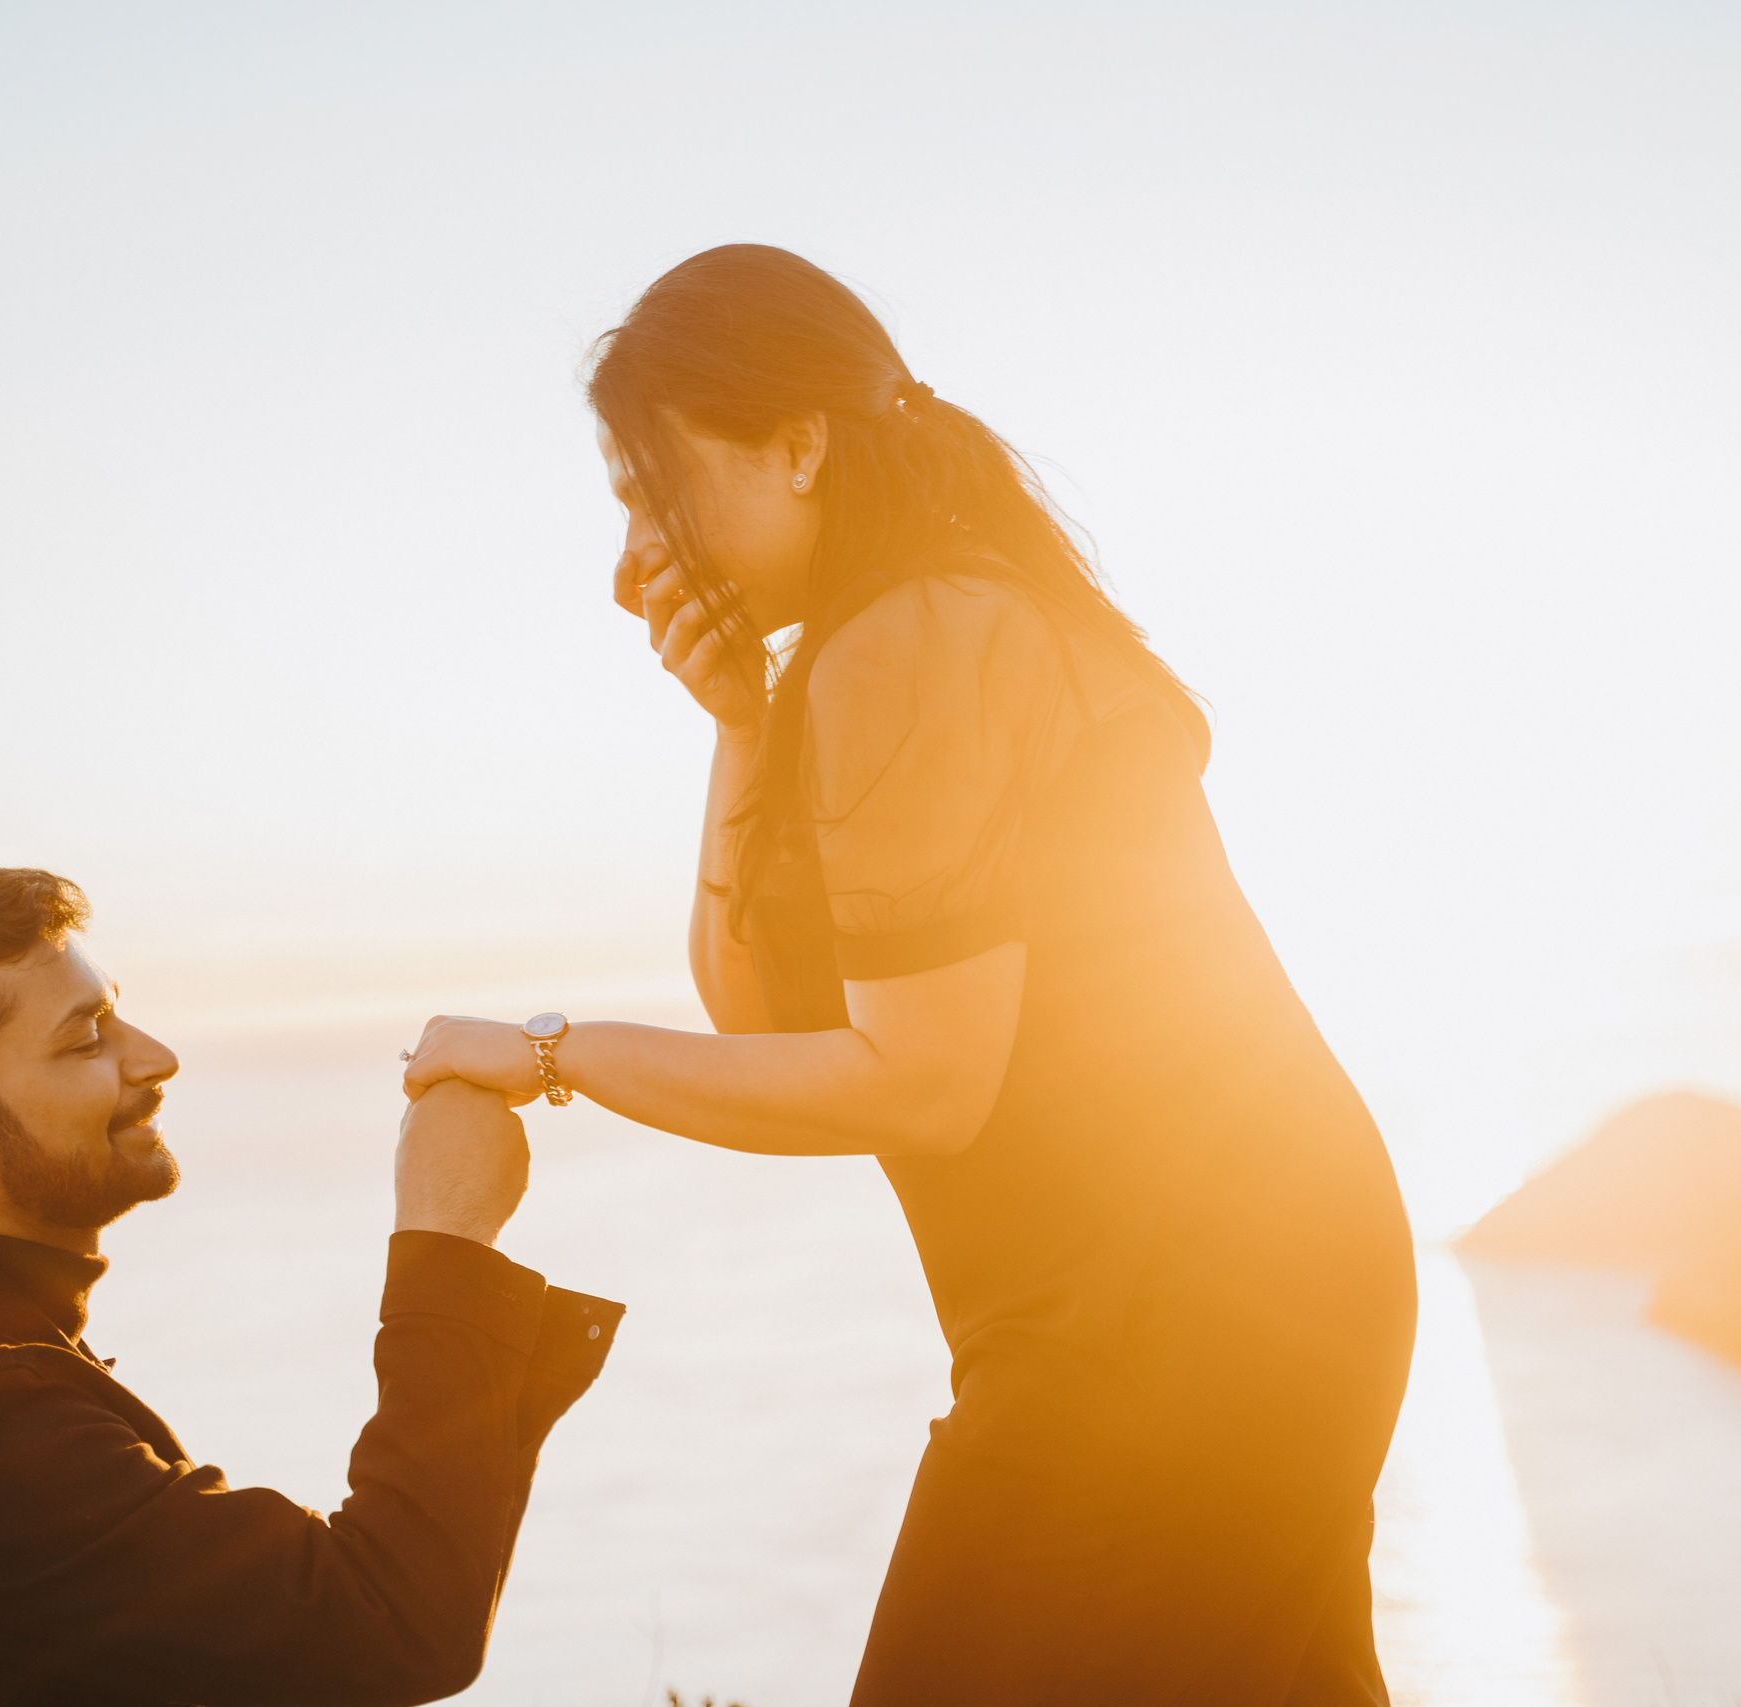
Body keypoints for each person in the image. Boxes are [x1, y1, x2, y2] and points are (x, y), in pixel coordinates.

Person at [402, 246, 1416, 1704]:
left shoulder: (918, 634)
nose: (628, 555)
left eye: (646, 488)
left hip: (1174, 1307)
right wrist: (739, 729)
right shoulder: (888, 640)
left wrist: (554, 1050)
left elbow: (920, 1085)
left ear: (798, 444)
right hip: (1228, 1280)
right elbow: (763, 1020)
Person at [0, 867, 620, 1706]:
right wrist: (448, 1234)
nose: (156, 1057)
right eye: (87, 1039)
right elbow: (391, 1621)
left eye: (116, 1009)